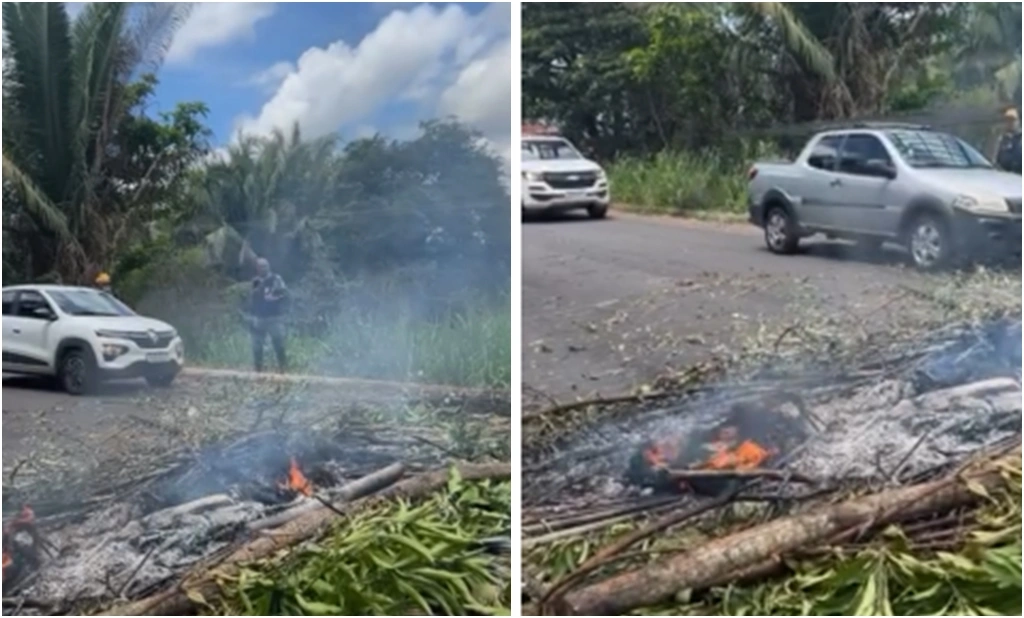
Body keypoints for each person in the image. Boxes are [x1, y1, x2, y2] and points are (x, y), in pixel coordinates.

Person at [246, 258, 289, 373]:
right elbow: (252, 298)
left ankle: (283, 370)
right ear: (257, 268)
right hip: (259, 318)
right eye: (261, 267)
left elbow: (285, 295)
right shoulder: (255, 281)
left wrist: (274, 298)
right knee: (257, 347)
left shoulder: (276, 279)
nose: (263, 268)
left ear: (269, 266)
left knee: (279, 345)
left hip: (274, 317)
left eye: (265, 266)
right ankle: (258, 371)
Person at [994, 107, 1021, 174]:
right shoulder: (1002, 140)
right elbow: (997, 160)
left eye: (1012, 120)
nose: (1010, 123)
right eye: (1008, 120)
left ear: (1018, 121)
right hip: (1006, 177)